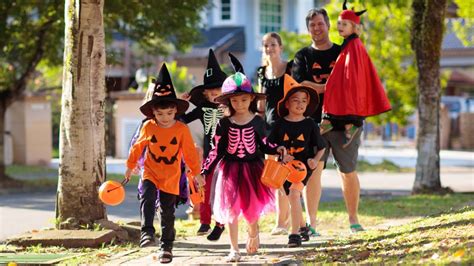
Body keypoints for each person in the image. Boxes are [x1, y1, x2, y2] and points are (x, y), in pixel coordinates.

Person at [202, 71, 291, 262]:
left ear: (251, 98)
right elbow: (216, 150)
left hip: (253, 169)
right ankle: (234, 249)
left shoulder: (258, 122)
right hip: (230, 171)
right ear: (228, 102)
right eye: (235, 101)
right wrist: (204, 170)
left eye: (244, 100)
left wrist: (280, 149)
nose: (240, 104)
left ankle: (253, 231)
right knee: (231, 210)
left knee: (251, 209)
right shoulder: (223, 123)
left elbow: (266, 143)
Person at [125, 63, 205, 264]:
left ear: (175, 111)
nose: (165, 118)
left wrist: (197, 173)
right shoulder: (149, 127)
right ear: (153, 113)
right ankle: (147, 232)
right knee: (148, 196)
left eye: (169, 113)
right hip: (151, 171)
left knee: (168, 211)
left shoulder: (180, 129)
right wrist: (130, 166)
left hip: (171, 175)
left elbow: (189, 153)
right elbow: (137, 146)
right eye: (160, 114)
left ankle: (166, 246)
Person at [292, 7, 363, 235]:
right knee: (313, 170)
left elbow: (354, 81)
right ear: (308, 28)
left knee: (348, 170)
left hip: (345, 121)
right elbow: (300, 85)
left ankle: (353, 219)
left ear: (329, 25)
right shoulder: (302, 56)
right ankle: (312, 223)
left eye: (320, 23)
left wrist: (321, 88)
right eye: (312, 24)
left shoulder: (344, 51)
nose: (317, 28)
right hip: (314, 122)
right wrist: (329, 87)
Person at [321, 0, 391, 148]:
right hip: (345, 85)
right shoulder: (349, 43)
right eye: (339, 23)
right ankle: (331, 122)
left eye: (344, 24)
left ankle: (348, 126)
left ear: (354, 27)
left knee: (336, 89)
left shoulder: (354, 45)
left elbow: (353, 73)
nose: (340, 26)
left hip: (350, 87)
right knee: (333, 87)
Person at [268, 74, 326, 247]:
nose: (300, 104)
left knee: (294, 194)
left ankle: (294, 235)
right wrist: (278, 153)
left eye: (303, 101)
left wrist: (315, 160)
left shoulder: (310, 125)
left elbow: (321, 146)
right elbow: (269, 145)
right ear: (287, 103)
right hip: (284, 167)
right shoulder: (279, 125)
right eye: (295, 100)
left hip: (303, 167)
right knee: (291, 197)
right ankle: (302, 227)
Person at [180, 48, 227, 240]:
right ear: (205, 94)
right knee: (206, 189)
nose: (215, 94)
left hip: (228, 154)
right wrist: (180, 104)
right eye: (211, 92)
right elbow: (183, 120)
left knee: (223, 189)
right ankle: (205, 221)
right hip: (210, 155)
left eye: (218, 90)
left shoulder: (231, 107)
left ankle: (221, 223)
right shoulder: (202, 109)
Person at [256, 32, 293, 235]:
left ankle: (291, 221)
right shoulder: (262, 72)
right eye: (266, 45)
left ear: (280, 47)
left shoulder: (290, 68)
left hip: (288, 127)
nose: (269, 48)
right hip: (269, 128)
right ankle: (281, 221)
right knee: (274, 175)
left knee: (290, 173)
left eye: (273, 45)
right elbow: (261, 104)